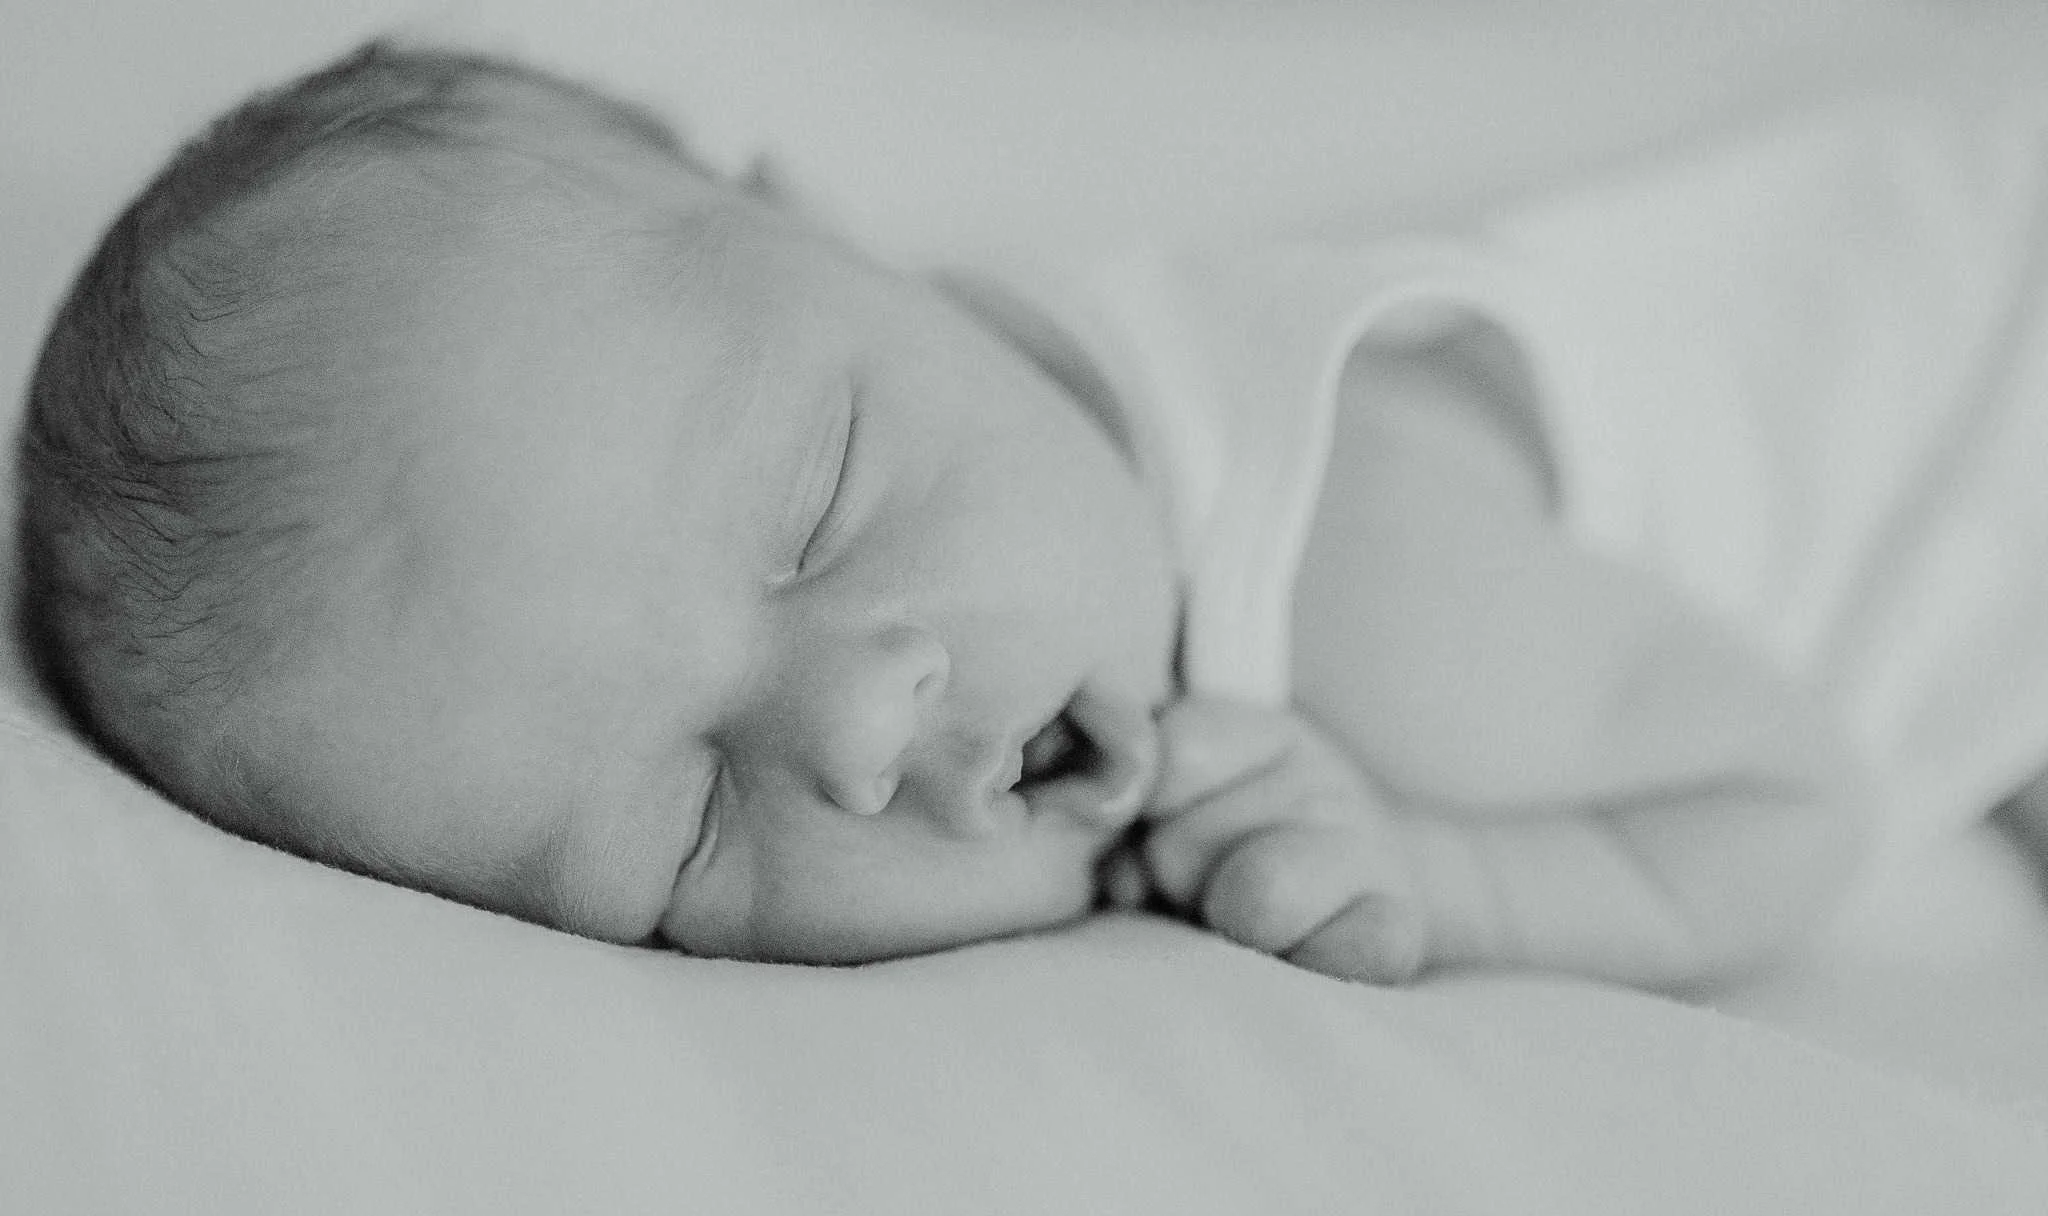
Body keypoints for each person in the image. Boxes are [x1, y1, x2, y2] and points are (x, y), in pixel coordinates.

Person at [25, 42, 2048, 990]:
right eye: (677, 841)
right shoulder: (1006, 427)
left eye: (826, 503)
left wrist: (1437, 875)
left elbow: (1790, 801)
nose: (855, 730)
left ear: (848, 244)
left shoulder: (1354, 575)